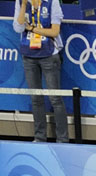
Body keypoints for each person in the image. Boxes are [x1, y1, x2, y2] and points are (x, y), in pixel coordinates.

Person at [13, 0, 69, 143]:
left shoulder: (52, 2)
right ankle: (39, 138)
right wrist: (24, 6)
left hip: (49, 56)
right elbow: (18, 28)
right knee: (36, 99)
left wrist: (32, 29)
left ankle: (62, 139)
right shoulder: (20, 2)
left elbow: (54, 31)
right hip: (29, 56)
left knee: (55, 99)